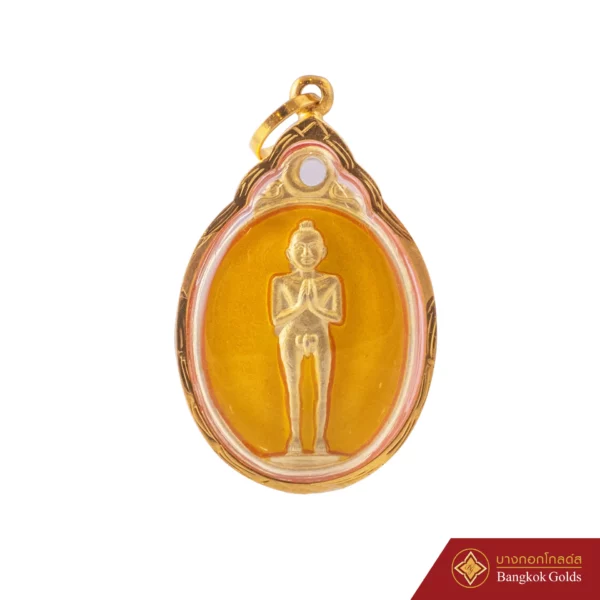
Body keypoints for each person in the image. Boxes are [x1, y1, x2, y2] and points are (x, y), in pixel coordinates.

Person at [271, 220, 343, 455]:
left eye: (313, 248)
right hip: (291, 335)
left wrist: (314, 307)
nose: (306, 254)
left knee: (322, 389)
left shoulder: (330, 281)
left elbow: (336, 316)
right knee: (293, 388)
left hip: (319, 334)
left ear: (323, 252)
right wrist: (301, 306)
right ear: (289, 253)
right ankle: (295, 440)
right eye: (300, 248)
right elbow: (277, 318)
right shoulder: (281, 282)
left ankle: (320, 440)